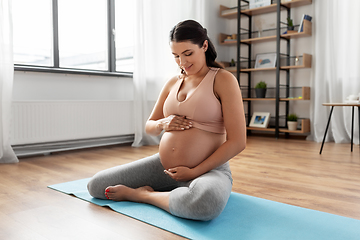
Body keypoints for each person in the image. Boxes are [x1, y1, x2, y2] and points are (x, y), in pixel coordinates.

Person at [87, 20, 246, 221]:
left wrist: (194, 172)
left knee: (205, 203)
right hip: (164, 168)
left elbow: (238, 141)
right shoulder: (172, 82)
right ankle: (174, 194)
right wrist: (163, 123)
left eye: (188, 54)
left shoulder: (223, 79)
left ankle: (145, 195)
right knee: (97, 186)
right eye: (176, 56)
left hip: (208, 170)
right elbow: (150, 127)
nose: (182, 62)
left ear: (204, 46)